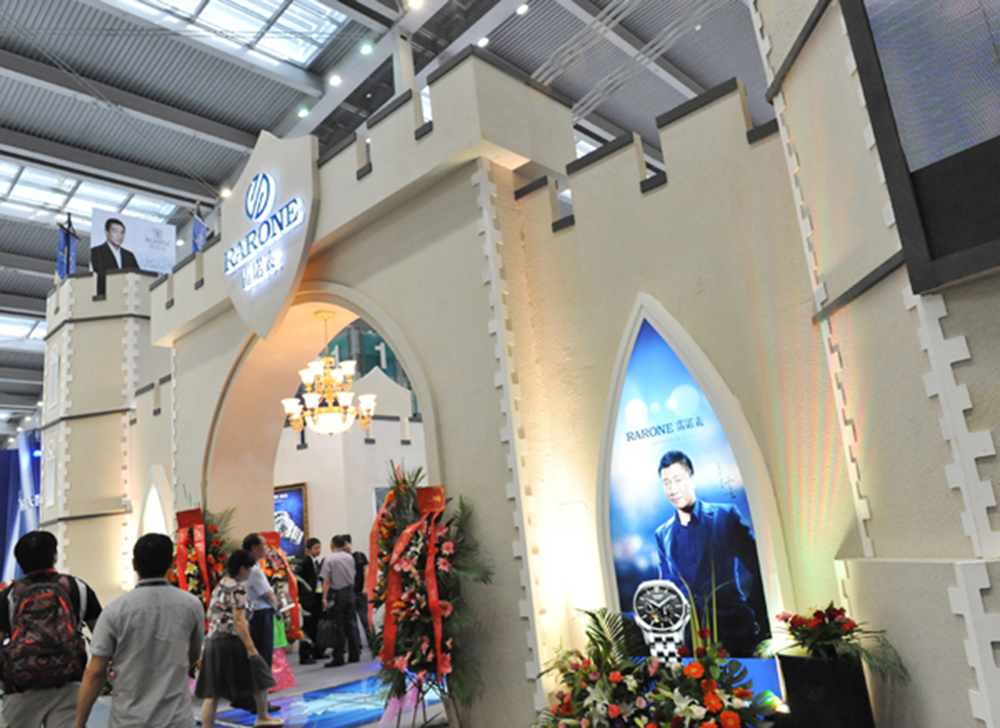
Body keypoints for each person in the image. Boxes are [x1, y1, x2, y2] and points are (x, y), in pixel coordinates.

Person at [75, 533, 205, 728]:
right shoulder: (191, 605)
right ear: (171, 563)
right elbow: (193, 655)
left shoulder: (115, 610)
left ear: (134, 565)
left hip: (129, 720)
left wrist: (79, 723)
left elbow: (95, 672)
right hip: (176, 719)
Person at [653, 451, 770, 657]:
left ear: (693, 479)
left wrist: (754, 613)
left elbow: (761, 566)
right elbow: (668, 589)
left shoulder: (725, 516)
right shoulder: (662, 534)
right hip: (690, 641)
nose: (673, 489)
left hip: (734, 632)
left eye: (678, 480)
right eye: (666, 483)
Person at [0, 531, 102, 728]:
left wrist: (5, 680)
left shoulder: (9, 596)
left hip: (22, 688)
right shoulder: (78, 588)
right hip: (68, 684)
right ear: (54, 556)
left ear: (20, 562)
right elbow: (103, 637)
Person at [196, 549, 282, 728]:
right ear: (242, 568)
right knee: (260, 674)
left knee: (213, 693)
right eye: (249, 568)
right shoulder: (238, 589)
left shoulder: (220, 585)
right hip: (231, 641)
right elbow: (239, 620)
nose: (250, 572)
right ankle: (262, 715)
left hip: (213, 640)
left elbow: (211, 613)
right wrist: (251, 647)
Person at [233, 533, 280, 715]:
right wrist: (278, 607)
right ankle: (259, 705)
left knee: (254, 661)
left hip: (250, 616)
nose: (267, 547)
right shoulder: (254, 570)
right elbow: (268, 595)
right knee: (262, 661)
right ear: (254, 548)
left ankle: (251, 701)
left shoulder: (247, 569)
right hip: (260, 616)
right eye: (264, 544)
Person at [320, 535, 359, 667]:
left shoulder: (329, 559)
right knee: (351, 623)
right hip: (350, 592)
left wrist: (324, 598)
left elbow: (326, 581)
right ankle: (355, 654)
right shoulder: (350, 558)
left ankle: (339, 657)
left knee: (338, 626)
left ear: (332, 544)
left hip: (337, 594)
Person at [294, 538, 324, 664]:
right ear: (308, 549)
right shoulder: (305, 562)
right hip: (308, 599)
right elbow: (297, 576)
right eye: (315, 548)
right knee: (308, 627)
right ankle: (305, 655)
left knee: (316, 626)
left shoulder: (316, 562)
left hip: (317, 597)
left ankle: (316, 651)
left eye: (319, 547)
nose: (318, 550)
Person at [342, 534, 371, 646]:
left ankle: (372, 641)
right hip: (348, 593)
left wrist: (365, 586)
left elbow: (366, 570)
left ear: (350, 543)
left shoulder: (359, 556)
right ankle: (356, 643)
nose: (344, 547)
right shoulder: (342, 559)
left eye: (345, 544)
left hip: (360, 591)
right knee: (352, 620)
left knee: (365, 618)